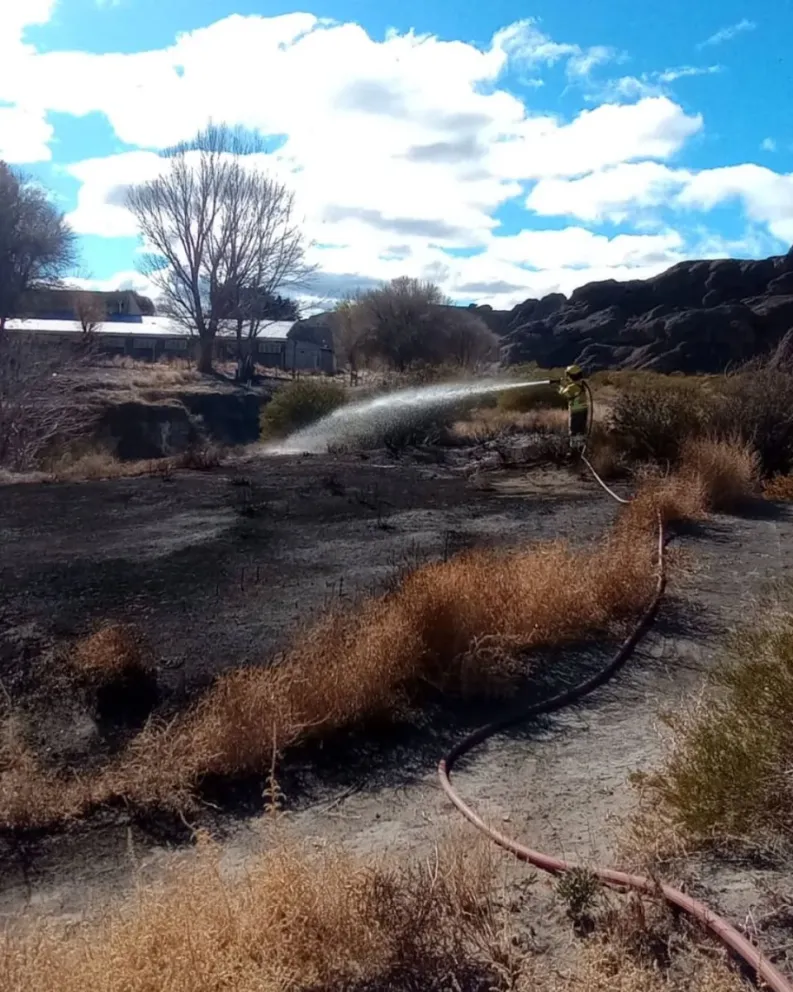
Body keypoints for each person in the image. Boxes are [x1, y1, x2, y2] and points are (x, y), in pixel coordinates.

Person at [552, 364, 590, 449]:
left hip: (576, 412)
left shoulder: (573, 387)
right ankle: (581, 447)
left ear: (570, 376)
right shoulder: (580, 384)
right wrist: (565, 384)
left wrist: (560, 386)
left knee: (574, 431)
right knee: (581, 430)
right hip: (583, 410)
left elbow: (564, 393)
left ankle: (574, 450)